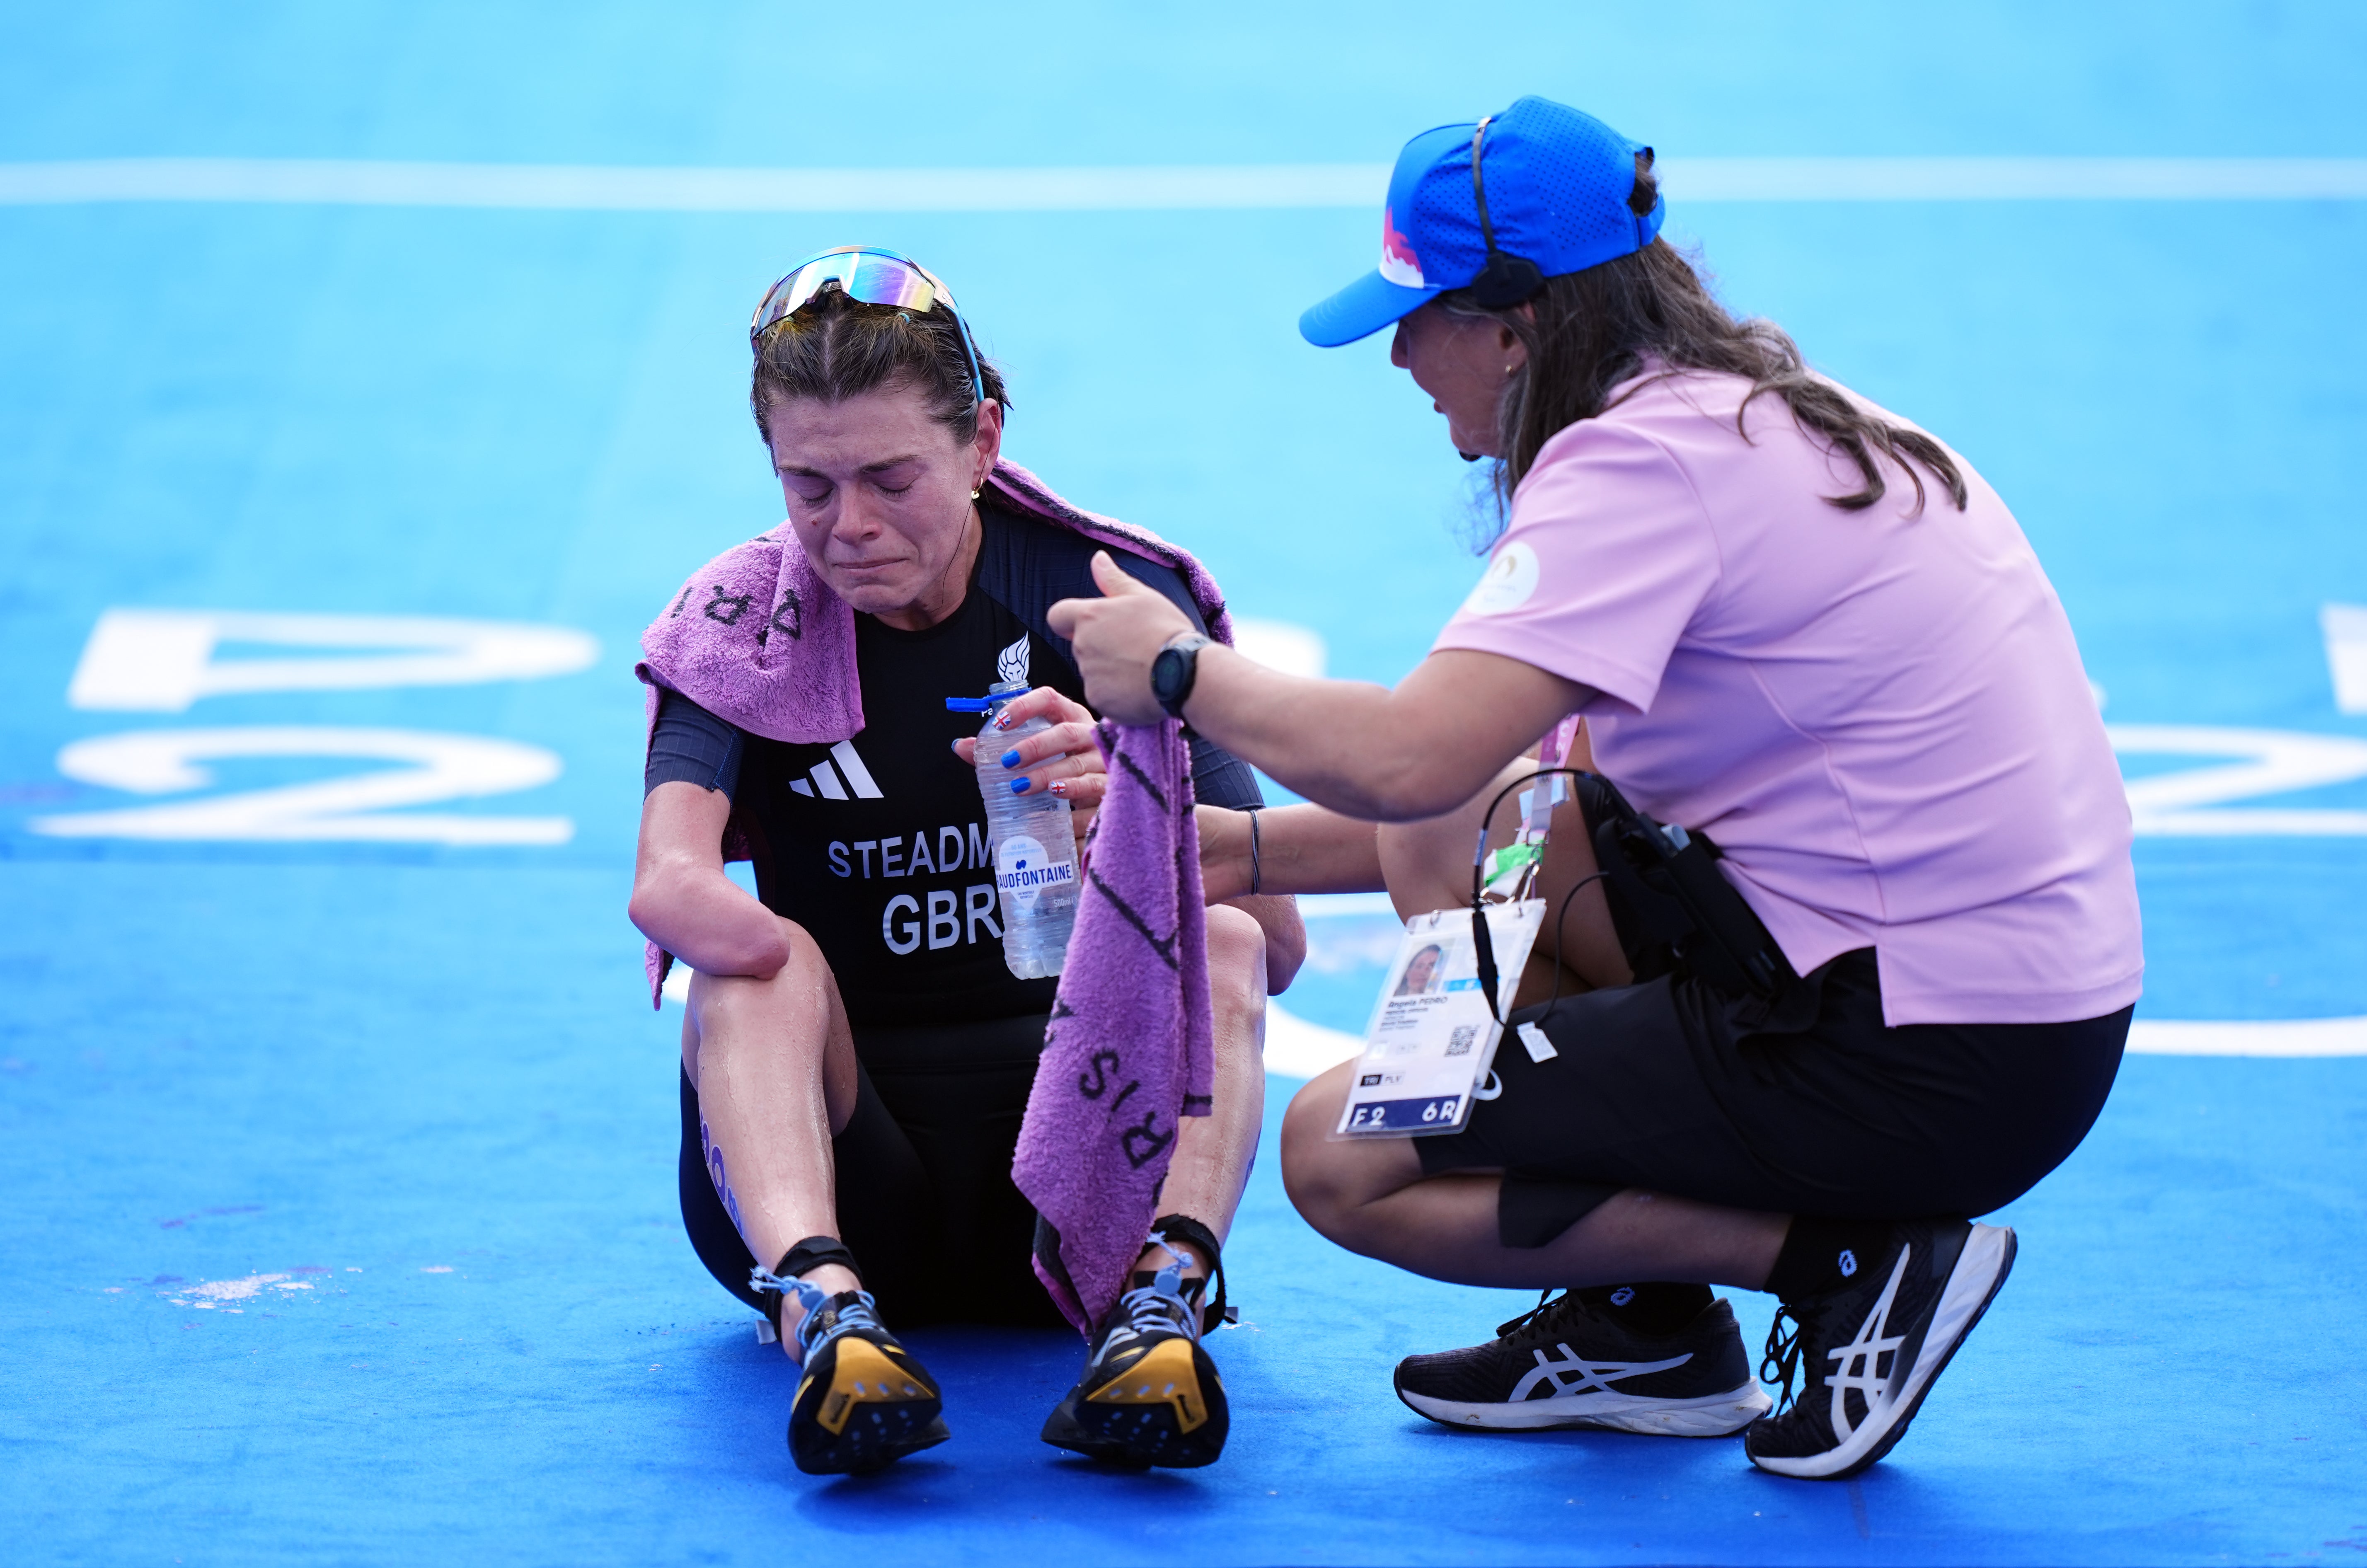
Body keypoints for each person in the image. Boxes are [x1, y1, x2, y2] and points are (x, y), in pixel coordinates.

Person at [1048, 98, 2139, 1481]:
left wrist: (1181, 672)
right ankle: (1648, 1331)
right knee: (1496, 820)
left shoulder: (1636, 470)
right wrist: (1224, 851)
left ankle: (1853, 1261)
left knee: (1346, 1157)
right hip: (1991, 1006)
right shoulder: (1749, 415)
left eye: (1418, 313)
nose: (1398, 354)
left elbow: (1408, 755)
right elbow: (1470, 796)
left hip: (1925, 1055)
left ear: (1514, 329)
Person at [628, 247, 1304, 1474]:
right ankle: (827, 1310)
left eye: (893, 478)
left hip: (1083, 1165)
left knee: (1224, 934)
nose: (852, 528)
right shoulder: (739, 625)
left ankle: (1160, 1303)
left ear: (984, 439)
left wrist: (1134, 815)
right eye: (810, 487)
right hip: (847, 1157)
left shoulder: (1113, 597)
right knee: (744, 965)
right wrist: (749, 938)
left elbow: (1281, 948)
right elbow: (666, 886)